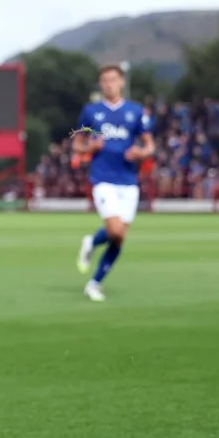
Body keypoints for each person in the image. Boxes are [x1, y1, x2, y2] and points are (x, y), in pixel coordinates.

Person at [74, 65, 155, 302]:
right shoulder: (91, 112)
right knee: (115, 230)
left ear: (121, 82)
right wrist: (91, 147)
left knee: (118, 238)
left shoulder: (135, 111)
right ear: (101, 85)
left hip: (129, 181)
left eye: (113, 80)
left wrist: (140, 152)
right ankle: (93, 244)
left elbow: (150, 146)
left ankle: (94, 282)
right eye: (105, 81)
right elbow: (77, 145)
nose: (109, 84)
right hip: (103, 179)